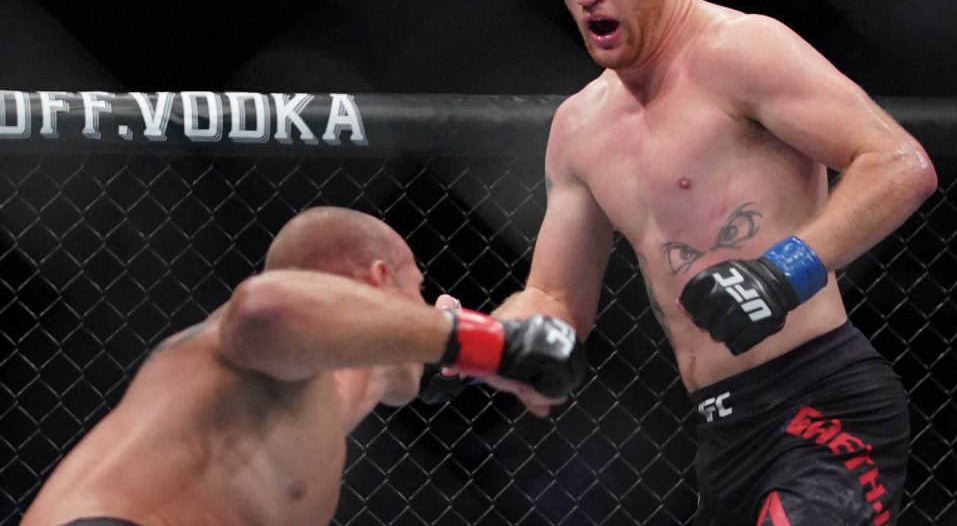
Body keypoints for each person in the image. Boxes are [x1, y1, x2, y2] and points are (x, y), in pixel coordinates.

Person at [421, 0, 937, 526]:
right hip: (721, 434)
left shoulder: (744, 51)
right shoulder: (579, 127)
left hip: (823, 398)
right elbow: (556, 301)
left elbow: (898, 163)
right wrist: (477, 342)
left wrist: (780, 274)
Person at [22, 206, 586, 526]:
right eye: (418, 291)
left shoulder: (311, 427)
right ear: (378, 280)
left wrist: (441, 354)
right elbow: (265, 309)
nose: (430, 308)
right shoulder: (254, 336)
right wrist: (483, 342)